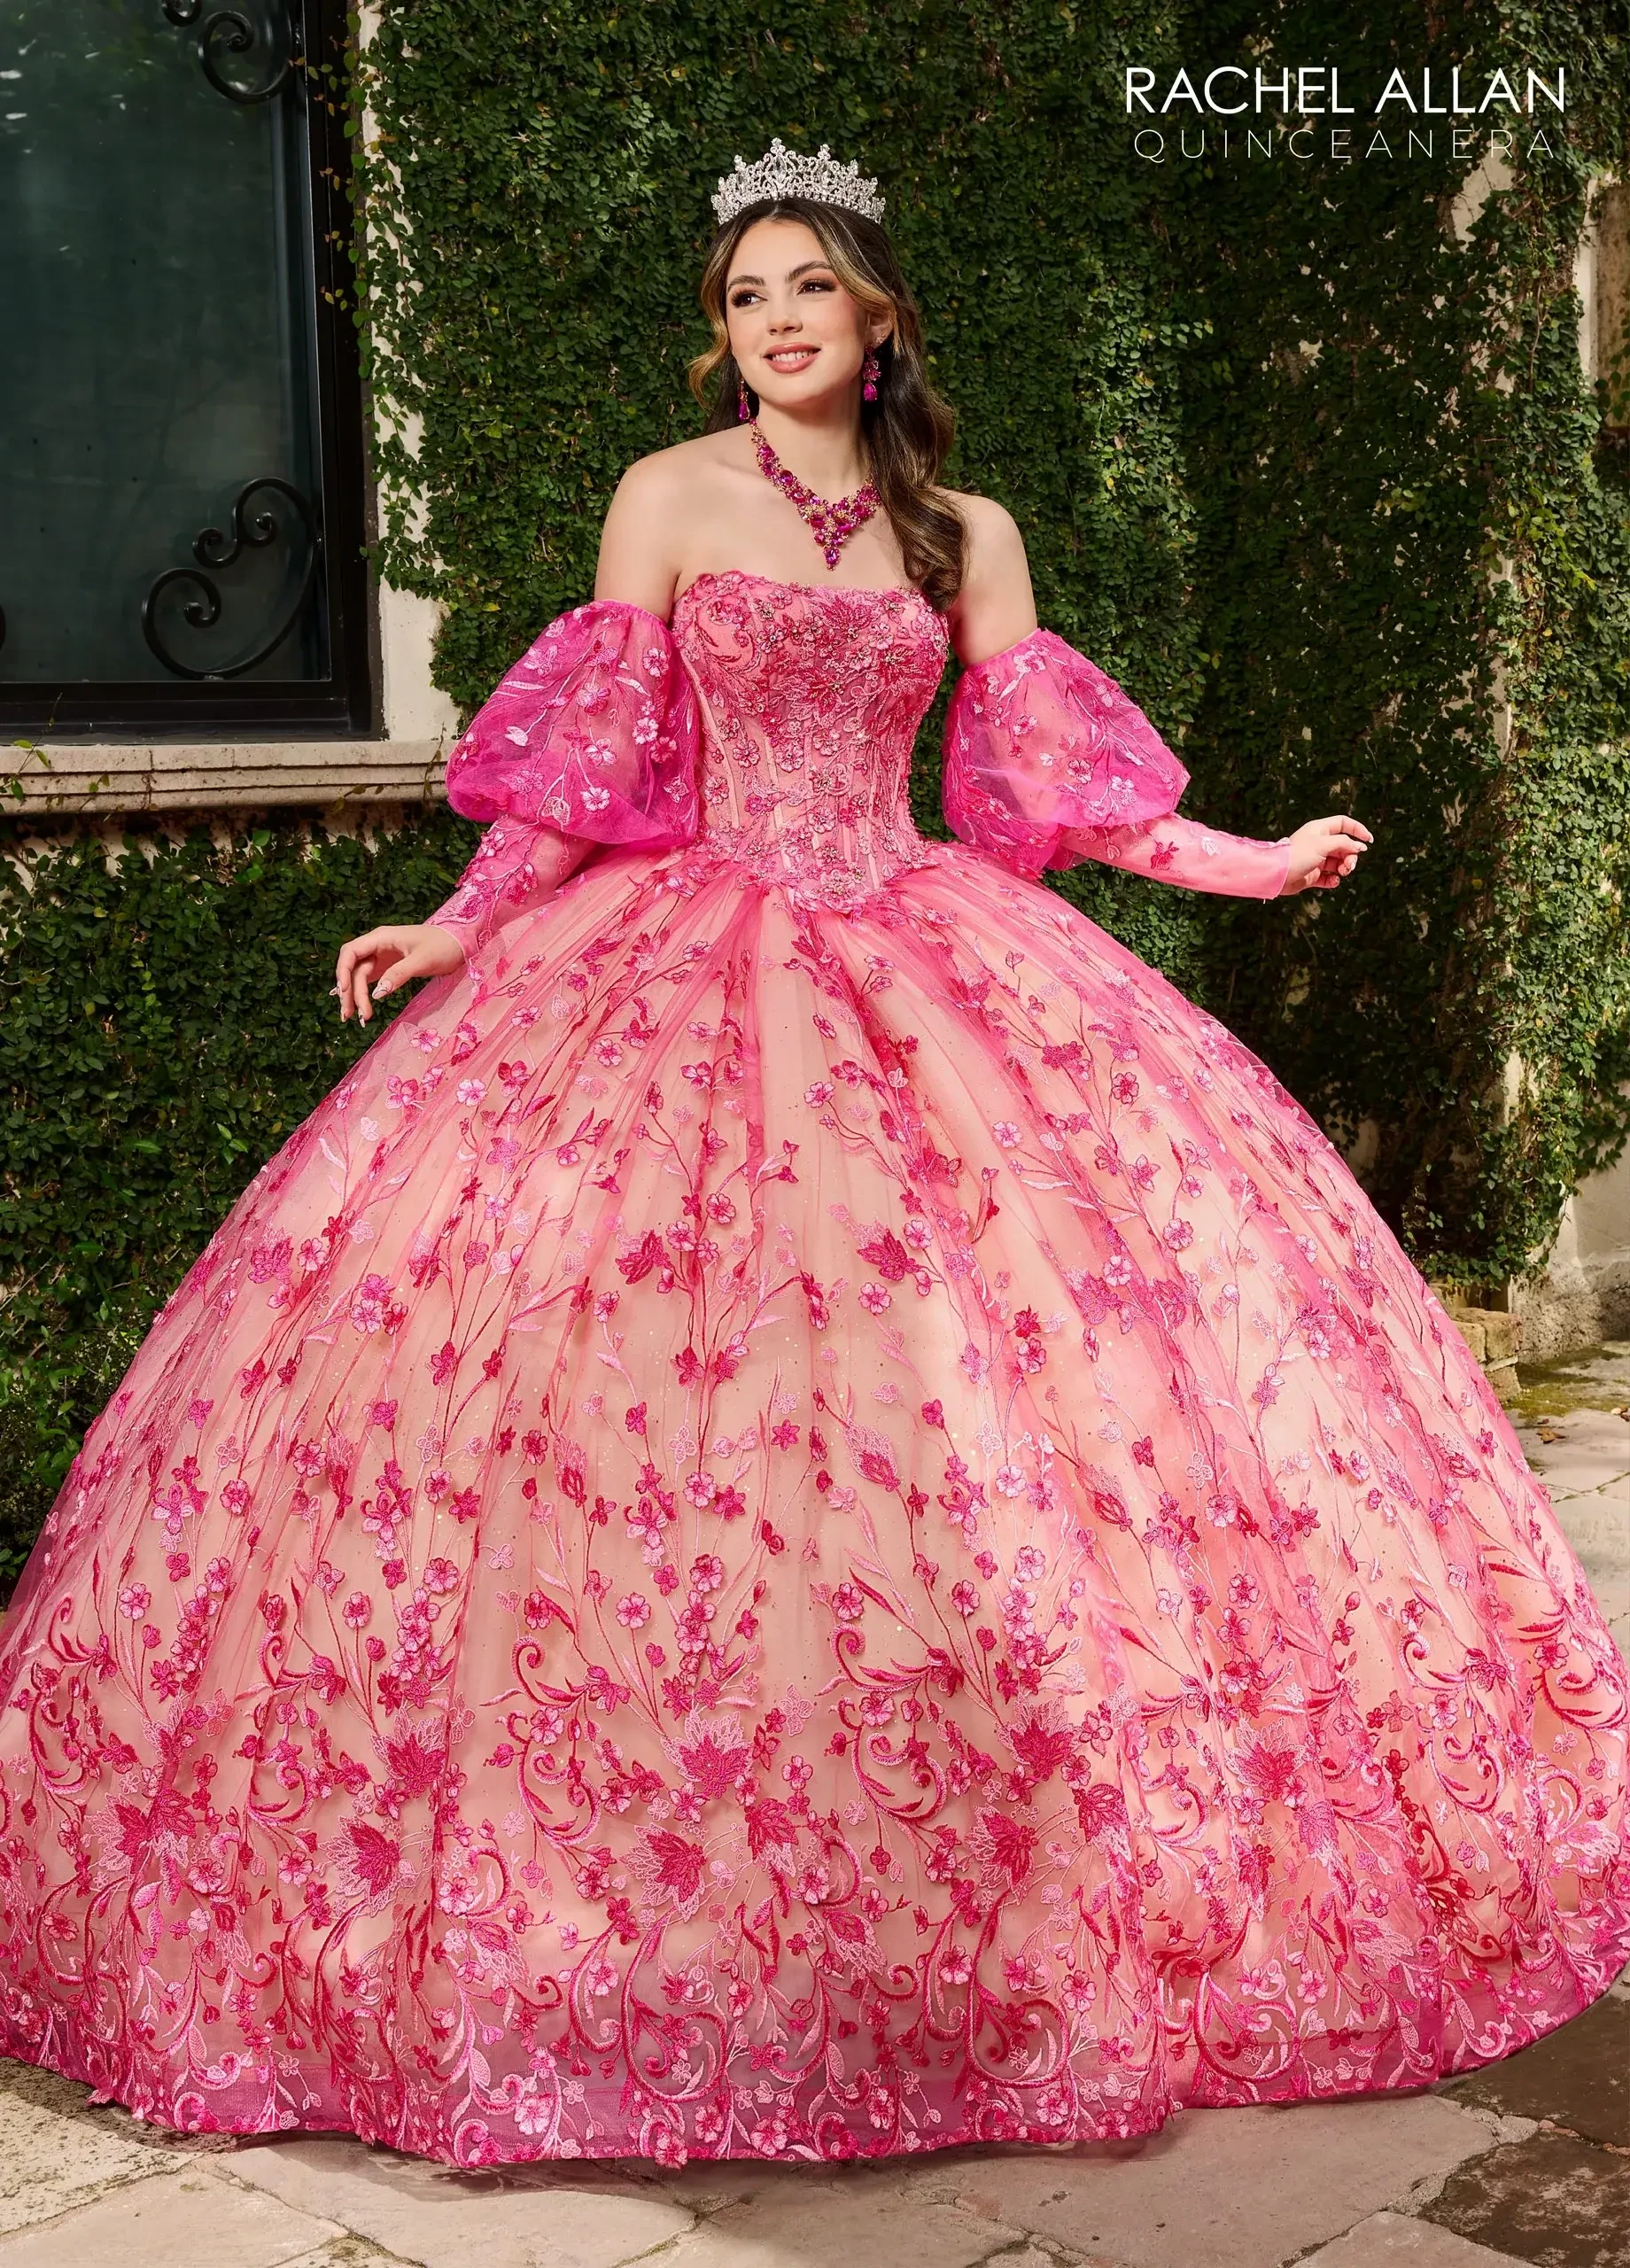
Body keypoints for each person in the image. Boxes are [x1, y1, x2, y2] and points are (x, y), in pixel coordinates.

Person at [0, 139, 1624, 2172]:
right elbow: (594, 768)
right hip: (674, 966)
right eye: (744, 295)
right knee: (658, 1412)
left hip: (933, 954)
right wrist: (457, 924)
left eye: (806, 289)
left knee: (992, 1394)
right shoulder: (663, 502)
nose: (771, 320)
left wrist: (1247, 857)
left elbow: (1049, 793)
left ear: (876, 322)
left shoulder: (964, 531)